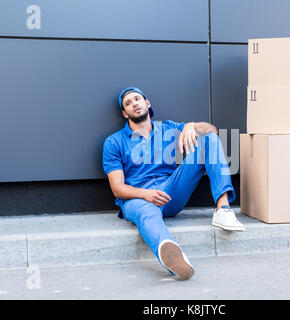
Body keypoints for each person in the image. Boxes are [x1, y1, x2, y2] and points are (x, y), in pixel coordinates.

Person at [102, 87, 245, 280]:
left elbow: (213, 131)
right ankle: (174, 256)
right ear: (124, 113)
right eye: (128, 103)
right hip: (138, 198)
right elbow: (117, 189)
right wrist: (145, 194)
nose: (134, 103)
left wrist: (191, 126)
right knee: (147, 213)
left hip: (170, 190)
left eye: (137, 99)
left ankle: (223, 209)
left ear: (147, 103)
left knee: (208, 139)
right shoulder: (114, 142)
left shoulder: (168, 128)